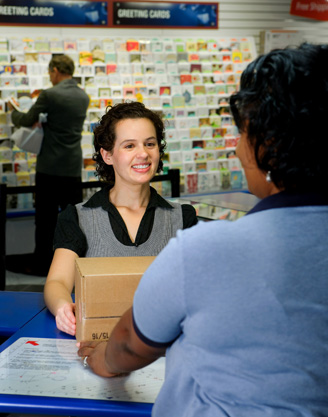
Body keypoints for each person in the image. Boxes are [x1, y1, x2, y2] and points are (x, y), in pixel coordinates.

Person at [78, 44, 328, 417]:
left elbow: (129, 345)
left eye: (243, 133)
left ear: (267, 146)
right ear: (107, 154)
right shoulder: (83, 215)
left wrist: (97, 359)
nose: (237, 148)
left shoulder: (206, 248)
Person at [44, 101, 197, 337]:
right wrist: (63, 308)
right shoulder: (78, 217)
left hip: (165, 346)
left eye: (150, 144)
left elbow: (197, 285)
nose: (143, 153)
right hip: (100, 345)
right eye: (129, 146)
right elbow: (57, 282)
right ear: (107, 155)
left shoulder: (182, 218)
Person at [7, 54, 90, 276]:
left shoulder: (50, 95)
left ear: (55, 70)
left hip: (50, 167)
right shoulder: (83, 96)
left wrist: (12, 111)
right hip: (72, 167)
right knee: (73, 218)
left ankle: (42, 265)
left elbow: (26, 120)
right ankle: (75, 265)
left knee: (45, 221)